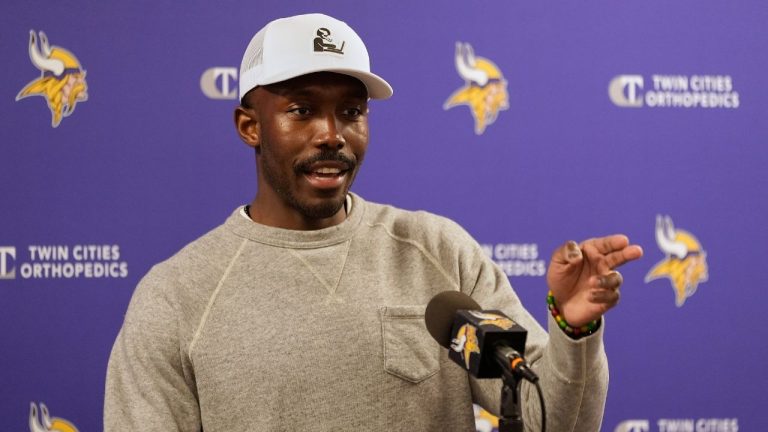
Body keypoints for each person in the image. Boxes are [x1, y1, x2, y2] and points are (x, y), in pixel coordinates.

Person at [104, 13, 643, 431]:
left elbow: (545, 418)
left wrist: (573, 330)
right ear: (250, 126)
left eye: (351, 111)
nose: (332, 134)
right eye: (301, 110)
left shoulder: (438, 251)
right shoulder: (176, 297)